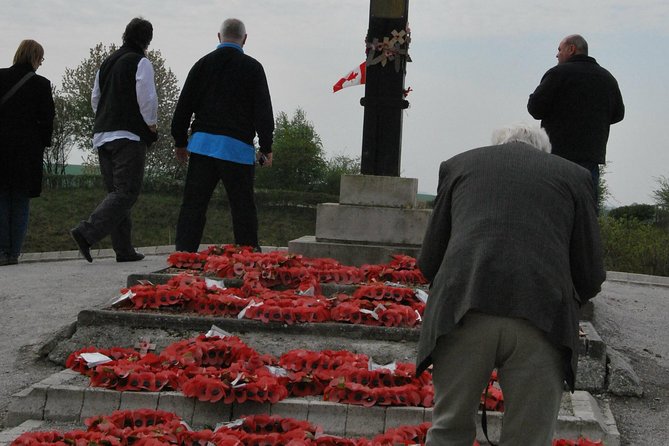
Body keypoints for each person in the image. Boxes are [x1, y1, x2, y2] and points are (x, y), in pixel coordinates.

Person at [416, 123, 605, 445]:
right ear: (544, 152)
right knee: (528, 438)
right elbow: (589, 272)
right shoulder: (574, 176)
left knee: (448, 429)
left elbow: (430, 260)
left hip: (462, 310)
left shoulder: (458, 165)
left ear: (496, 145)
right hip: (542, 317)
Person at [171, 18, 274, 252]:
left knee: (194, 205)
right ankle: (247, 256)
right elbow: (263, 111)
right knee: (243, 207)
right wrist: (266, 147)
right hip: (236, 149)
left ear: (219, 36)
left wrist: (180, 141)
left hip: (202, 146)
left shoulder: (201, 65)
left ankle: (184, 254)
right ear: (245, 39)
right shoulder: (253, 68)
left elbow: (183, 107)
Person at [70, 17, 158, 263]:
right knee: (127, 192)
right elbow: (147, 100)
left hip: (102, 134)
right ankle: (86, 232)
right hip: (127, 136)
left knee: (115, 193)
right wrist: (151, 126)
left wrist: (107, 119)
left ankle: (124, 249)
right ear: (147, 40)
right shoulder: (141, 62)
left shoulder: (106, 63)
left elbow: (95, 99)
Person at [528, 34, 624, 206]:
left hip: (556, 157)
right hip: (590, 159)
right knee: (585, 215)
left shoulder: (557, 74)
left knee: (554, 211)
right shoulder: (607, 78)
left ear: (571, 49)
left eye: (559, 50)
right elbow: (618, 114)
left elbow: (535, 108)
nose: (556, 55)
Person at [0, 40, 55, 266]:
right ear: (34, 57)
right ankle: (13, 252)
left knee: (1, 199)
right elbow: (47, 119)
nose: (41, 64)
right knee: (21, 201)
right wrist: (41, 143)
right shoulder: (41, 84)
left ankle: (1, 251)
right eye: (40, 59)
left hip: (0, 149)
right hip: (27, 152)